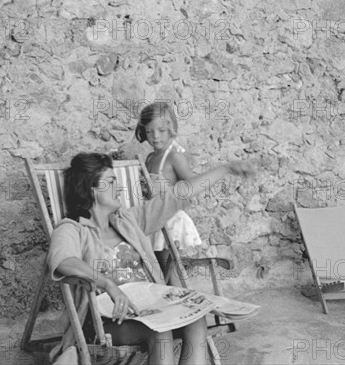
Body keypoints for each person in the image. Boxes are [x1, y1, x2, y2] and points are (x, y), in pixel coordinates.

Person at [47, 152, 254, 365]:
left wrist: (226, 169)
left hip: (149, 309)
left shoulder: (128, 220)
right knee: (160, 333)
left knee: (197, 320)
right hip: (105, 321)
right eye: (111, 182)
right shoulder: (72, 228)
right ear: (92, 188)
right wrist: (107, 283)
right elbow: (64, 261)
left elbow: (179, 195)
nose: (119, 188)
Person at [135, 103, 202, 281]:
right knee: (154, 267)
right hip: (154, 217)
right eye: (149, 132)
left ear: (171, 128)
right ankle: (165, 299)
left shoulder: (174, 157)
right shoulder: (150, 158)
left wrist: (167, 189)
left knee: (168, 267)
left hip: (169, 219)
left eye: (161, 130)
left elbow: (191, 187)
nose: (155, 136)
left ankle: (178, 299)